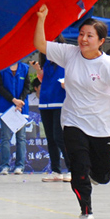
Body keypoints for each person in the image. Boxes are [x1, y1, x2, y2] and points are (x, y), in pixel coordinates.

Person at [34, 5, 110, 219]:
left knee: (102, 176)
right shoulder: (69, 54)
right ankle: (85, 210)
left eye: (89, 36)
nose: (83, 39)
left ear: (101, 40)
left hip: (101, 124)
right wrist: (41, 19)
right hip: (73, 121)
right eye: (80, 34)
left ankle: (103, 171)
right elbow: (40, 44)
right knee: (78, 166)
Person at [31, 49, 69, 182]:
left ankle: (71, 169)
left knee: (60, 137)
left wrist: (67, 84)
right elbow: (43, 79)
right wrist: (38, 70)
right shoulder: (46, 61)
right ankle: (56, 171)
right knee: (51, 138)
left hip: (59, 102)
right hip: (45, 102)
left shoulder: (65, 60)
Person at [0, 62, 31, 175]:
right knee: (5, 137)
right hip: (5, 107)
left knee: (21, 138)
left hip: (21, 108)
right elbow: (0, 87)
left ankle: (19, 166)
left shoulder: (25, 68)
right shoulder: (1, 67)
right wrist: (13, 100)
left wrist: (20, 101)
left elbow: (27, 87)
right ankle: (5, 166)